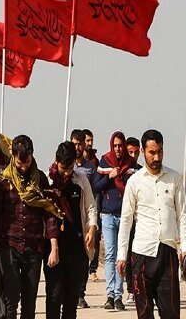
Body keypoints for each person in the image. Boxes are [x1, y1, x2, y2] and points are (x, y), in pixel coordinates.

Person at [116, 129, 186, 319]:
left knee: (171, 313)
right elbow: (126, 220)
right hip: (142, 255)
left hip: (167, 255)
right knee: (144, 313)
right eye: (152, 152)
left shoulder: (174, 179)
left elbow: (182, 216)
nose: (156, 157)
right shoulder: (134, 182)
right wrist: (121, 255)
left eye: (160, 151)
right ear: (143, 151)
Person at [0, 134, 60, 319]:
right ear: (13, 158)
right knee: (11, 299)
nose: (23, 167)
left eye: (26, 162)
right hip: (9, 245)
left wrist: (54, 246)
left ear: (32, 156)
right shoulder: (3, 182)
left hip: (34, 247)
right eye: (19, 163)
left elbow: (49, 214)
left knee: (30, 301)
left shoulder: (41, 180)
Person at [44, 141, 98, 319]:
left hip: (76, 247)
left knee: (70, 299)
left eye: (70, 167)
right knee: (54, 295)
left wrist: (91, 229)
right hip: (53, 247)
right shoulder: (47, 181)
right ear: (56, 161)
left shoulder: (80, 180)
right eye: (63, 167)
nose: (67, 172)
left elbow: (90, 207)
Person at [92, 131, 137, 311]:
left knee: (122, 255)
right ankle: (110, 294)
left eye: (121, 146)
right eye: (115, 146)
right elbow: (95, 186)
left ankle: (119, 295)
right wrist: (109, 176)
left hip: (125, 215)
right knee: (110, 254)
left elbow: (136, 187)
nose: (118, 149)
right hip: (108, 214)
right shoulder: (105, 162)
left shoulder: (131, 165)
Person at [69, 129, 98, 308]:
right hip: (68, 223)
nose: (77, 147)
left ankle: (80, 293)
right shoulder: (61, 167)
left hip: (85, 219)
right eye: (74, 143)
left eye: (80, 144)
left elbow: (93, 196)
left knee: (83, 258)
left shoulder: (89, 168)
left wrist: (93, 225)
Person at [123, 135, 142, 305]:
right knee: (127, 255)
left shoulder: (143, 172)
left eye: (136, 152)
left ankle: (139, 288)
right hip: (124, 218)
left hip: (140, 221)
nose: (133, 156)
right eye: (130, 152)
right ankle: (130, 289)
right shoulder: (121, 171)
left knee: (137, 256)